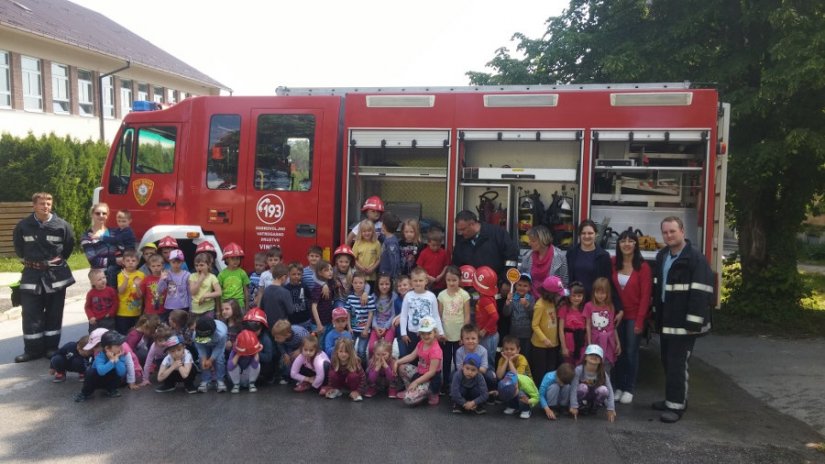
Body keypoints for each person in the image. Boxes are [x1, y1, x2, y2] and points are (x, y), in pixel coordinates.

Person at [652, 216, 713, 423]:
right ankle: (671, 399)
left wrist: (693, 323)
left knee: (678, 364)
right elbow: (658, 289)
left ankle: (676, 407)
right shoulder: (662, 256)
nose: (668, 235)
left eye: (672, 231)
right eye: (665, 232)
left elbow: (701, 293)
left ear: (682, 232)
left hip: (684, 325)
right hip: (667, 321)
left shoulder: (695, 259)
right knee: (667, 362)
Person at [13, 192, 76, 362]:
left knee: (54, 313)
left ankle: (51, 348)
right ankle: (32, 351)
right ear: (34, 205)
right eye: (42, 203)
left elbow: (68, 247)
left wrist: (51, 263)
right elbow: (19, 248)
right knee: (31, 314)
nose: (45, 206)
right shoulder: (23, 226)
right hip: (31, 276)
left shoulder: (62, 226)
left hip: (55, 276)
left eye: (48, 203)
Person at [612, 230, 653, 405]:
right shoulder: (613, 263)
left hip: (634, 316)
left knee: (631, 352)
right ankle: (618, 387)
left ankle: (629, 388)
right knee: (617, 353)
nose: (626, 244)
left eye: (630, 241)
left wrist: (640, 321)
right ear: (618, 244)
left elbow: (645, 297)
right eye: (623, 241)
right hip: (616, 316)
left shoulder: (643, 267)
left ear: (636, 244)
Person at [565, 219, 622, 309]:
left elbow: (608, 282)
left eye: (590, 233)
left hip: (595, 304)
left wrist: (618, 307)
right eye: (583, 233)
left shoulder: (603, 256)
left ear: (596, 234)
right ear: (579, 235)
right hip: (575, 303)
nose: (587, 236)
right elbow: (566, 278)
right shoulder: (571, 253)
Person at [452, 210, 519, 283]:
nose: (461, 233)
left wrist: (507, 282)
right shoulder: (461, 241)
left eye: (463, 229)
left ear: (472, 224)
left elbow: (511, 259)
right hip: (470, 286)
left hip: (497, 284)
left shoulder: (497, 233)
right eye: (459, 230)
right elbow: (456, 265)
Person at [395, 315, 442, 406]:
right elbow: (412, 356)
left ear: (435, 332)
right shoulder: (421, 343)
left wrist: (416, 382)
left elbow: (432, 372)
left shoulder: (436, 350)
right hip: (420, 373)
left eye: (429, 333)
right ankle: (410, 388)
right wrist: (397, 362)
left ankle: (432, 393)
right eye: (423, 333)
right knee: (401, 367)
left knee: (408, 399)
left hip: (430, 379)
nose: (426, 336)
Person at [437, 266, 470, 391]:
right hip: (445, 335)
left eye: (454, 280)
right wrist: (440, 333)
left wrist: (464, 336)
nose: (451, 283)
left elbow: (466, 316)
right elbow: (439, 316)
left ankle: (458, 386)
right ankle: (445, 384)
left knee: (458, 362)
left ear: (459, 280)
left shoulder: (464, 295)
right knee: (445, 360)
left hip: (459, 336)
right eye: (448, 280)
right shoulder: (441, 295)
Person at [399, 267, 444, 358]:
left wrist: (440, 332)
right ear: (411, 282)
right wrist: (403, 333)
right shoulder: (408, 296)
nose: (418, 283)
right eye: (415, 281)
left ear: (426, 281)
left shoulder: (431, 296)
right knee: (413, 358)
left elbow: (436, 315)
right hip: (412, 333)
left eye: (420, 280)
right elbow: (403, 316)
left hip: (428, 332)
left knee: (427, 357)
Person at [74, 330, 128, 402]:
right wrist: (112, 360)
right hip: (96, 380)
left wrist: (117, 360)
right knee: (90, 372)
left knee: (119, 372)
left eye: (121, 345)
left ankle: (111, 390)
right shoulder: (100, 356)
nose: (121, 347)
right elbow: (101, 371)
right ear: (107, 348)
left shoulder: (119, 355)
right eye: (118, 346)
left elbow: (122, 372)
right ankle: (85, 393)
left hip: (108, 380)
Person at [530, 275, 565, 382]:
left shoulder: (554, 303)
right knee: (540, 371)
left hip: (553, 344)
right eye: (557, 295)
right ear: (550, 294)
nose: (559, 297)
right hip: (540, 345)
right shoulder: (540, 305)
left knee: (551, 370)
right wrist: (544, 339)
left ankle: (549, 391)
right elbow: (534, 325)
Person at [520, 225, 569, 298]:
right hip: (530, 300)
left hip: (552, 300)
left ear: (543, 240)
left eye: (533, 241)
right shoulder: (527, 256)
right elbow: (522, 279)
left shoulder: (560, 257)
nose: (529, 243)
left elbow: (564, 282)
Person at [570, 344, 616, 422]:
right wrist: (573, 406)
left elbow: (610, 391)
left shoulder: (602, 373)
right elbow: (573, 388)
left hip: (594, 395)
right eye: (591, 354)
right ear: (585, 357)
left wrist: (611, 408)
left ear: (601, 360)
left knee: (604, 390)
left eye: (597, 355)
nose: (594, 356)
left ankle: (594, 406)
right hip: (583, 394)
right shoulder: (579, 370)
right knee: (582, 387)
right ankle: (581, 406)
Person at [584, 277, 621, 370]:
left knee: (606, 367)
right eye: (597, 292)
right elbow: (588, 326)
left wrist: (618, 343)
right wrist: (589, 343)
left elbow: (613, 327)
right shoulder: (588, 306)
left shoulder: (610, 306)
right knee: (593, 367)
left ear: (608, 294)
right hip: (594, 341)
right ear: (593, 293)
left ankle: (605, 384)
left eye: (603, 293)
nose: (600, 296)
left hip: (608, 343)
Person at [80, 203, 116, 285]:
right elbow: (94, 261)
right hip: (99, 278)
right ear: (92, 215)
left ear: (108, 215)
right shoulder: (86, 236)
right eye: (97, 213)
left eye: (104, 213)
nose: (101, 215)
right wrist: (115, 260)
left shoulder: (114, 233)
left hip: (115, 275)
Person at [472, 266, 499, 369]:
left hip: (488, 336)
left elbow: (495, 316)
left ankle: (489, 383)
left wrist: (484, 330)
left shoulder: (485, 300)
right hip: (487, 335)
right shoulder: (485, 297)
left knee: (487, 362)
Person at [503, 273, 535, 360]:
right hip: (514, 333)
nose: (521, 287)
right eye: (519, 285)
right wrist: (507, 303)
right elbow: (506, 313)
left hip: (526, 334)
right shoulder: (512, 297)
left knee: (525, 357)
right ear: (515, 285)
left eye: (525, 286)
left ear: (529, 287)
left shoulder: (531, 299)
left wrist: (527, 306)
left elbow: (533, 316)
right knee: (513, 356)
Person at [101, 209, 137, 286]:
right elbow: (113, 230)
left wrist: (102, 238)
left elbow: (116, 240)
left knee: (111, 270)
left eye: (124, 221)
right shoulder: (119, 230)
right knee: (108, 265)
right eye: (119, 221)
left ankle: (112, 290)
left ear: (129, 221)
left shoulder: (128, 232)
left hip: (128, 256)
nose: (121, 223)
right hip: (121, 255)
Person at [346, 271, 375, 363]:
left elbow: (371, 314)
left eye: (361, 283)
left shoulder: (369, 298)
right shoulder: (350, 297)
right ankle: (352, 367)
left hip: (364, 330)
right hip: (353, 330)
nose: (358, 285)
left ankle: (362, 370)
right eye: (355, 283)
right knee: (349, 349)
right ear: (352, 283)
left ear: (365, 284)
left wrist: (366, 329)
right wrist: (349, 327)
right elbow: (348, 313)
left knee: (361, 351)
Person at [194, 316, 228, 393]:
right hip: (204, 345)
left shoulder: (221, 334)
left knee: (220, 359)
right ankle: (206, 380)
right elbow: (200, 347)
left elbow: (219, 348)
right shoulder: (195, 334)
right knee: (201, 359)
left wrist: (211, 359)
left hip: (217, 344)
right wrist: (204, 358)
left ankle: (220, 380)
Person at [116, 249, 144, 334]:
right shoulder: (121, 275)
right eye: (127, 261)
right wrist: (126, 279)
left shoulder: (141, 275)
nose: (130, 262)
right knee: (124, 335)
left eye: (133, 260)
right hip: (123, 313)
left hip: (137, 312)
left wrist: (138, 286)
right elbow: (120, 291)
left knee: (136, 335)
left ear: (138, 262)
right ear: (123, 262)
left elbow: (140, 295)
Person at [558, 282, 587, 365]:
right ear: (569, 296)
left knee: (579, 366)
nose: (576, 298)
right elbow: (560, 330)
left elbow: (587, 328)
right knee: (568, 366)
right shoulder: (564, 309)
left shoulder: (584, 309)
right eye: (573, 296)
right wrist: (563, 347)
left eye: (579, 296)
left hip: (581, 342)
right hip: (568, 341)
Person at [368, 273, 396, 355]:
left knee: (386, 348)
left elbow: (393, 314)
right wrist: (375, 327)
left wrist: (386, 327)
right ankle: (372, 366)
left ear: (391, 284)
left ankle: (387, 367)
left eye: (387, 284)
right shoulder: (373, 297)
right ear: (377, 285)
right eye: (381, 284)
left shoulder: (394, 296)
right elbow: (372, 313)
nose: (384, 286)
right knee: (371, 348)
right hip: (376, 326)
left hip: (389, 327)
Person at [189, 253, 222, 318]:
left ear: (208, 265)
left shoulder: (212, 277)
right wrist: (200, 280)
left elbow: (219, 292)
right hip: (195, 309)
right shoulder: (192, 276)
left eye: (202, 265)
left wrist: (205, 296)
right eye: (196, 265)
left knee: (207, 327)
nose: (199, 267)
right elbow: (193, 292)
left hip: (208, 309)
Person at [157, 249, 191, 314]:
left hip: (183, 306)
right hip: (170, 306)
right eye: (173, 262)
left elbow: (189, 292)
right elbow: (159, 290)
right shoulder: (166, 274)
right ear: (170, 262)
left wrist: (191, 308)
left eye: (178, 262)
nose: (176, 264)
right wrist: (162, 279)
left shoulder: (187, 275)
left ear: (182, 262)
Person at [218, 242, 250, 309]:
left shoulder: (242, 273)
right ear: (226, 259)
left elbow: (246, 291)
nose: (236, 261)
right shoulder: (221, 275)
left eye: (237, 258)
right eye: (233, 258)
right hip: (225, 306)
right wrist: (219, 309)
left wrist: (247, 307)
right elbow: (219, 294)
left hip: (240, 305)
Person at [284, 262, 313, 331]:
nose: (296, 276)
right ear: (288, 274)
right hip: (292, 321)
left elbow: (310, 299)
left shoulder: (304, 286)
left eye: (299, 274)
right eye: (294, 274)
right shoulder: (285, 289)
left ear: (302, 274)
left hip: (305, 319)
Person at [311, 259, 336, 336]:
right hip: (319, 324)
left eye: (331, 269)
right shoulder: (318, 288)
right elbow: (313, 306)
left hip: (328, 322)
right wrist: (319, 324)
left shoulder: (330, 283)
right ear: (320, 273)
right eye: (326, 270)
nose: (330, 272)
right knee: (319, 346)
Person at [353, 219, 380, 287]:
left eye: (369, 231)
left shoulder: (376, 243)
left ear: (373, 231)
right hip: (359, 276)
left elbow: (379, 259)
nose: (367, 233)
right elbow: (353, 258)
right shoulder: (357, 243)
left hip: (372, 277)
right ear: (360, 232)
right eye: (364, 231)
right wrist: (361, 267)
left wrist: (372, 268)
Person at [139, 255, 166, 320]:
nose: (156, 268)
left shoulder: (166, 278)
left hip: (164, 311)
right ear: (149, 267)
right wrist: (137, 286)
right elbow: (140, 294)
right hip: (149, 311)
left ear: (163, 266)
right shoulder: (146, 279)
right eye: (153, 266)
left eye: (158, 265)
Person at [378, 212, 402, 279]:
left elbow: (394, 261)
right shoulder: (388, 238)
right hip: (384, 274)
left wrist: (391, 276)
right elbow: (383, 238)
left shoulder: (391, 243)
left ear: (384, 226)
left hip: (388, 276)